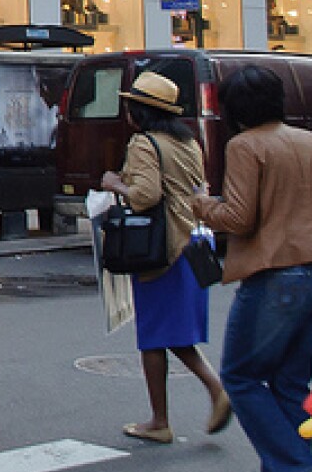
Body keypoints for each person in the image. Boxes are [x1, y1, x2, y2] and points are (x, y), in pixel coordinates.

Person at [193, 66, 312, 472]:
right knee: (290, 386)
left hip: (279, 275)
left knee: (240, 378)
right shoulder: (311, 142)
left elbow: (239, 219)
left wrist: (200, 203)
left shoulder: (245, 146)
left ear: (233, 109)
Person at [98, 71, 229, 445]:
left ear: (138, 111)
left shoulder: (144, 142)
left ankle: (177, 411)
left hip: (161, 249)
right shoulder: (188, 142)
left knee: (155, 335)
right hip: (192, 245)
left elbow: (145, 195)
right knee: (166, 334)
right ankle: (168, 414)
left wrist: (113, 183)